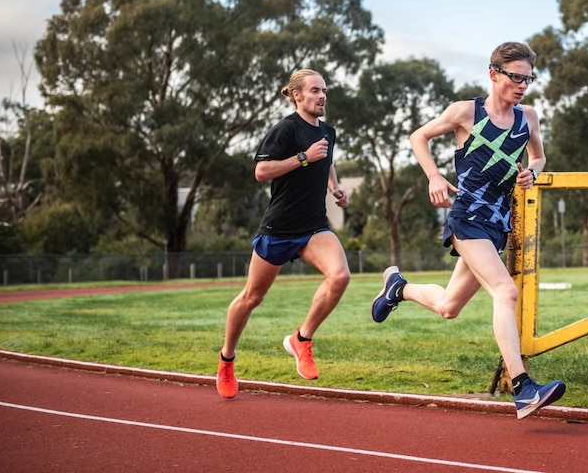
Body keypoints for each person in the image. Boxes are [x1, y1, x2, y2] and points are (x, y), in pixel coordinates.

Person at [371, 42, 566, 419]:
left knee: (448, 307)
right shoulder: (466, 112)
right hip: (467, 217)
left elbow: (539, 157)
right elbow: (418, 137)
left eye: (528, 78)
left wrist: (533, 173)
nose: (523, 85)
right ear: (494, 74)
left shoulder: (529, 117)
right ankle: (524, 388)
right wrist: (434, 177)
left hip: (498, 224)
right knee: (505, 291)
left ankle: (399, 288)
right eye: (515, 77)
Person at [216, 68, 350, 398]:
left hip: (314, 226)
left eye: (324, 91)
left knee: (341, 276)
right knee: (251, 297)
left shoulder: (328, 132)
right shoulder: (285, 130)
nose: (322, 96)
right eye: (315, 91)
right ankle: (226, 360)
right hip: (279, 228)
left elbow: (326, 157)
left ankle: (301, 340)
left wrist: (335, 187)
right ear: (297, 96)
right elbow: (261, 171)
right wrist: (303, 157)